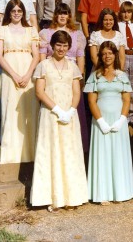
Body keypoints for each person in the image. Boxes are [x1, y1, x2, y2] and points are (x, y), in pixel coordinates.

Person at [31, 30, 88, 212]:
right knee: (52, 151)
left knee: (69, 152)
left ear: (69, 47)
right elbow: (40, 92)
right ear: (52, 46)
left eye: (65, 45)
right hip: (51, 114)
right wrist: (56, 110)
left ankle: (72, 196)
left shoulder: (73, 67)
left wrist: (71, 110)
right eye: (58, 45)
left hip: (69, 115)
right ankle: (53, 197)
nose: (61, 48)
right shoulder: (44, 65)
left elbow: (77, 91)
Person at [84, 41, 133, 205]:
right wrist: (101, 121)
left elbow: (127, 100)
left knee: (118, 155)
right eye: (104, 53)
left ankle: (119, 192)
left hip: (118, 121)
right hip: (101, 122)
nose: (107, 56)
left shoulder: (122, 76)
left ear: (115, 55)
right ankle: (102, 193)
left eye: (110, 53)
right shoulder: (95, 76)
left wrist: (122, 120)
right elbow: (92, 102)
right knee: (102, 155)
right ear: (100, 56)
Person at [0, 0, 39, 164]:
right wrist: (14, 75)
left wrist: (27, 75)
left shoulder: (31, 30)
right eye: (13, 11)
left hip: (28, 71)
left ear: (23, 13)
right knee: (10, 108)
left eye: (19, 11)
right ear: (8, 12)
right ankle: (11, 152)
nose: (16, 13)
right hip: (9, 72)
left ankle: (30, 151)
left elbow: (36, 56)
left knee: (28, 109)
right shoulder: (2, 30)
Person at [39, 3, 89, 152]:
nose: (62, 16)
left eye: (65, 13)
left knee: (73, 111)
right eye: (60, 13)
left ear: (69, 16)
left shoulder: (77, 34)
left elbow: (80, 58)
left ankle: (74, 148)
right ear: (55, 15)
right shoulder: (46, 33)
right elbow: (42, 59)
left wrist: (78, 79)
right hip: (52, 76)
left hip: (70, 75)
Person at [78, 0, 119, 76]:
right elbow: (83, 18)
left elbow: (115, 16)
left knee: (110, 58)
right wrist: (87, 36)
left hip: (109, 29)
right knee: (92, 62)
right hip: (93, 29)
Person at [89, 8, 125, 72]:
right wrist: (103, 72)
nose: (108, 22)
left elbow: (122, 58)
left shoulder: (119, 35)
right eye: (105, 20)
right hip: (99, 70)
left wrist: (120, 72)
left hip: (115, 71)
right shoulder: (95, 35)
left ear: (114, 21)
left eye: (111, 20)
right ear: (102, 21)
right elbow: (93, 57)